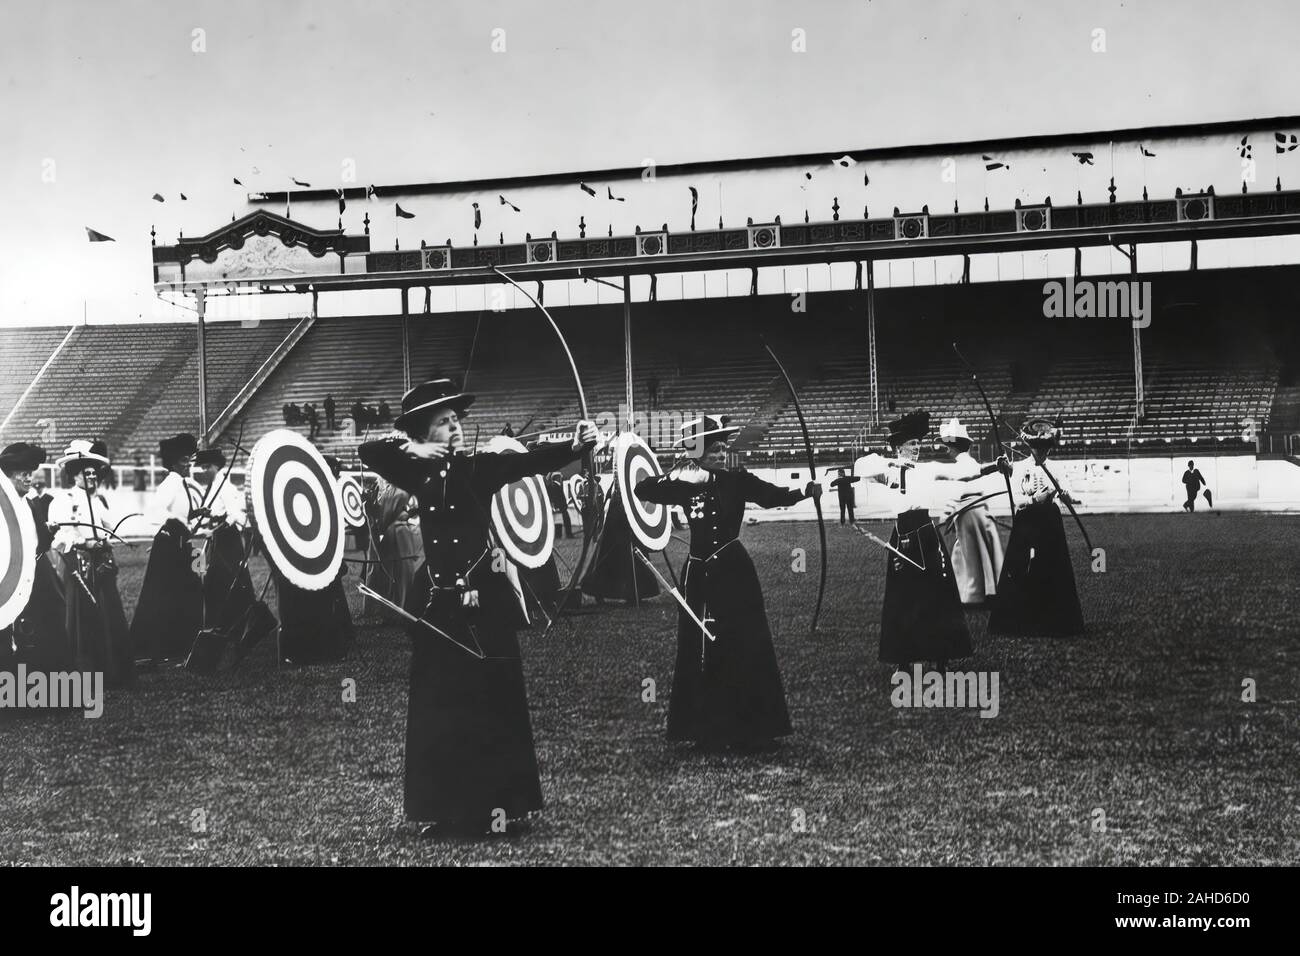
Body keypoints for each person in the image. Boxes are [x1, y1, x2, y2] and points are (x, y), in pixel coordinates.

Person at [359, 378, 598, 837]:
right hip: (439, 602)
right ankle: (448, 811)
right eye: (443, 423)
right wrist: (412, 452)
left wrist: (575, 444)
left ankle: (504, 809)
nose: (454, 428)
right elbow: (371, 451)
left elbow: (530, 460)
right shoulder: (414, 471)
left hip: (484, 600)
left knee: (492, 700)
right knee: (442, 705)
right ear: (423, 433)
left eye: (456, 421)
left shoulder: (480, 467)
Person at [633, 414, 820, 751]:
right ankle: (706, 730)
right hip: (698, 575)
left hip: (734, 572)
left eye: (723, 449)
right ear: (698, 453)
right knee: (701, 646)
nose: (721, 455)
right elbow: (643, 488)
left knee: (746, 643)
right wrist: (683, 473)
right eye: (713, 450)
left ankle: (755, 729)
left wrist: (806, 491)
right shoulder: (684, 481)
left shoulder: (736, 478)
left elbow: (771, 495)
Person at [857, 411, 984, 670]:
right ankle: (903, 659)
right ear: (898, 447)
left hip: (926, 533)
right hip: (902, 535)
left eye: (918, 444)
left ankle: (941, 658)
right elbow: (861, 467)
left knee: (936, 595)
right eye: (911, 444)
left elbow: (966, 474)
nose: (916, 448)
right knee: (903, 597)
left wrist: (995, 467)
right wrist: (890, 463)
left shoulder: (928, 469)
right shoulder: (886, 470)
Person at [987, 419, 1085, 637]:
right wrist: (1034, 500)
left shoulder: (1056, 468)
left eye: (1045, 448)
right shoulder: (1020, 468)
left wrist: (1066, 496)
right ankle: (1016, 622)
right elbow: (1016, 501)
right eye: (1037, 448)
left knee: (1052, 566)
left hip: (1050, 523)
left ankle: (1055, 622)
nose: (1041, 452)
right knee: (1021, 566)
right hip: (1026, 522)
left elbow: (1066, 494)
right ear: (1030, 447)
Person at [47, 441, 133, 686]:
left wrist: (104, 540)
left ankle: (113, 668)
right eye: (87, 472)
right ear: (75, 475)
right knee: (82, 615)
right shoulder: (64, 500)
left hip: (102, 565)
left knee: (108, 611)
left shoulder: (98, 500)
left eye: (95, 472)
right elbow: (60, 536)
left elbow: (110, 527)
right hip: (80, 567)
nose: (92, 476)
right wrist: (84, 543)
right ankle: (86, 671)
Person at [273, 455, 356, 665]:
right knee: (309, 604)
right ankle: (312, 646)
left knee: (327, 600)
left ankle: (336, 637)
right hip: (301, 557)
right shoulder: (304, 491)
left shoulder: (325, 493)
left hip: (319, 556)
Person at [130, 433, 204, 665]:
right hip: (168, 547)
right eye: (184, 460)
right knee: (166, 597)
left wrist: (195, 515)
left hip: (180, 546)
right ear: (173, 462)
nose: (188, 464)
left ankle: (180, 646)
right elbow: (154, 511)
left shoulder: (182, 483)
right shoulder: (171, 482)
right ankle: (158, 649)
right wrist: (178, 521)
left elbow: (180, 514)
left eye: (189, 459)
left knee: (185, 595)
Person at [1, 443, 68, 671]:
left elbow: (41, 541)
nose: (29, 478)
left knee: (52, 620)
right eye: (23, 474)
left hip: (39, 574)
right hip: (9, 579)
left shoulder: (29, 503)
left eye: (31, 473)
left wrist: (48, 532)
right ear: (9, 476)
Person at [932, 417, 1007, 607]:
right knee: (966, 552)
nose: (947, 450)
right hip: (975, 512)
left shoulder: (965, 463)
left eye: (948, 446)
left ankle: (975, 594)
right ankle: (979, 591)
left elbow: (967, 479)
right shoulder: (965, 461)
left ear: (955, 446)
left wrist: (947, 515)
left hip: (969, 514)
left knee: (971, 553)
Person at [194, 448, 259, 642]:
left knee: (230, 579)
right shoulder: (214, 485)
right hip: (218, 538)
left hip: (227, 540)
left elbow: (235, 515)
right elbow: (216, 512)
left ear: (217, 466)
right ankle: (222, 622)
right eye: (202, 467)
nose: (204, 471)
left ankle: (237, 622)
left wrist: (214, 530)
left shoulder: (226, 487)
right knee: (215, 581)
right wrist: (207, 516)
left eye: (208, 467)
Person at [580, 479, 661, 605]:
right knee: (610, 564)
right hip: (615, 533)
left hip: (627, 531)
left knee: (629, 563)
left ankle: (633, 593)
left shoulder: (626, 494)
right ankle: (605, 592)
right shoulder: (617, 499)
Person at [364, 469, 425, 619]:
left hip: (400, 534)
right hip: (387, 534)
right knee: (385, 570)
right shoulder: (382, 487)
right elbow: (381, 514)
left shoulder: (401, 489)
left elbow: (409, 512)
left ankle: (398, 608)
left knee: (399, 572)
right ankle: (384, 608)